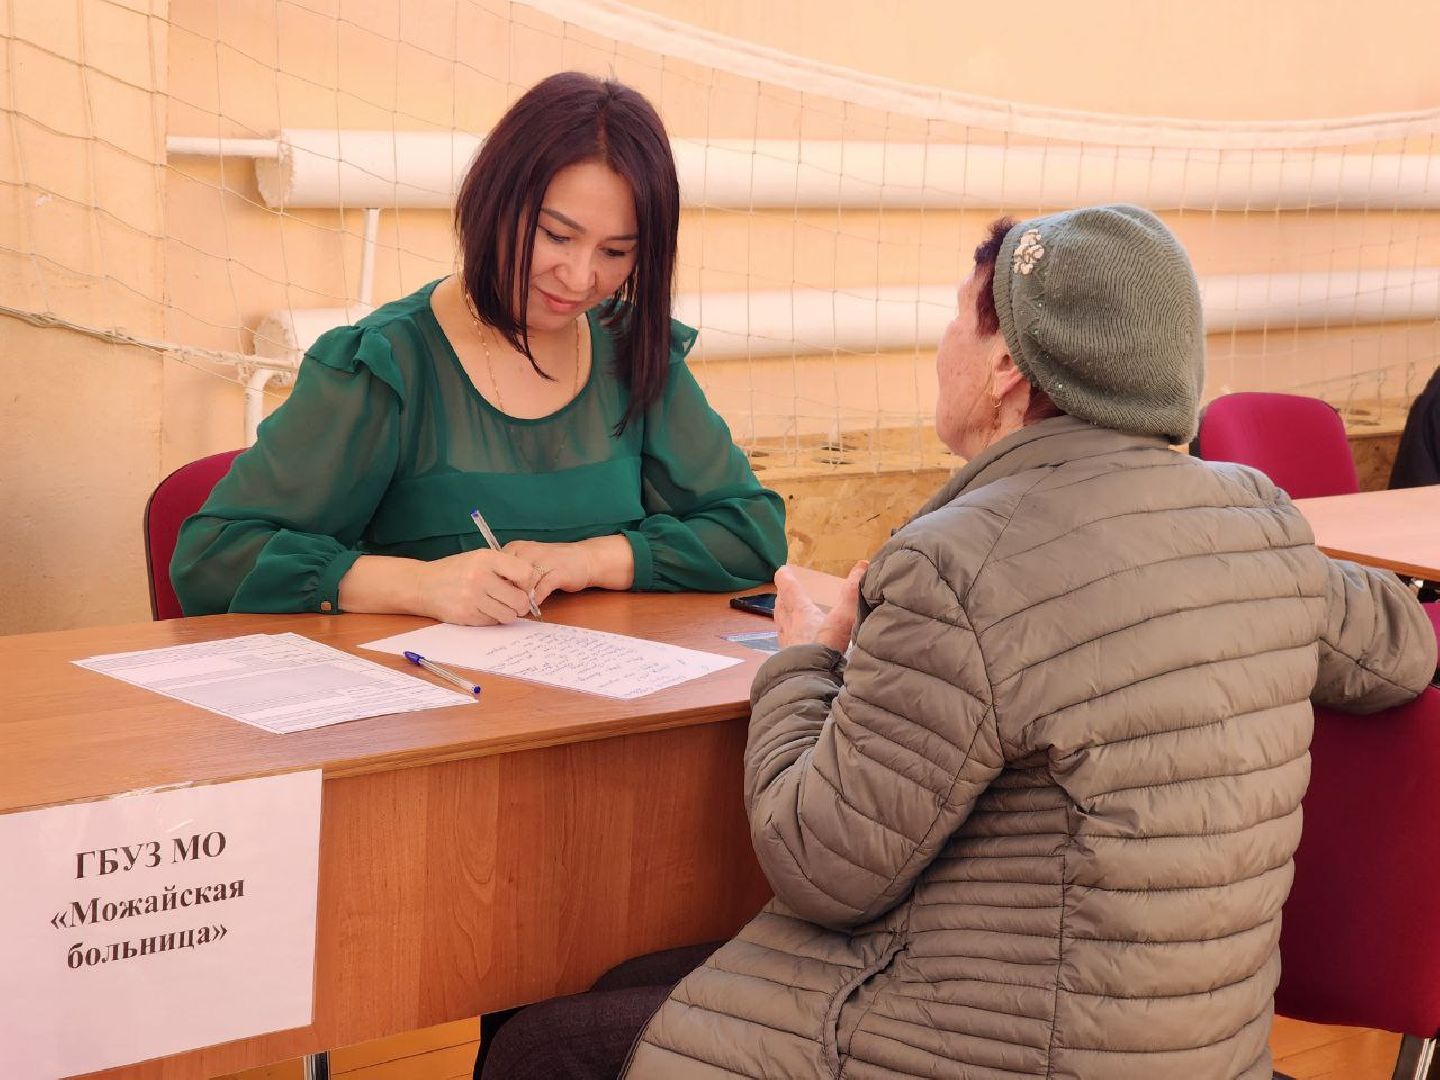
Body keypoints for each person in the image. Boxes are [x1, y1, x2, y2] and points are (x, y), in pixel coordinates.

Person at [480, 206, 1437, 1080]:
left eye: (956, 321)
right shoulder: (1258, 519)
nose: (943, 345)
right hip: (1193, 1053)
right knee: (632, 977)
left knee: (538, 1049)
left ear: (1008, 366)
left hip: (993, 1048)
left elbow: (821, 867)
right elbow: (1405, 649)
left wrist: (807, 657)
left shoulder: (957, 564)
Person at [172, 72, 785, 621]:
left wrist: (591, 560)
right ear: (496, 203)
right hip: (432, 718)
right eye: (555, 236)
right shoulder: (385, 364)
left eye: (615, 252)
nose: (578, 278)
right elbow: (213, 558)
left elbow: (752, 532)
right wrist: (418, 586)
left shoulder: (633, 351)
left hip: (600, 713)